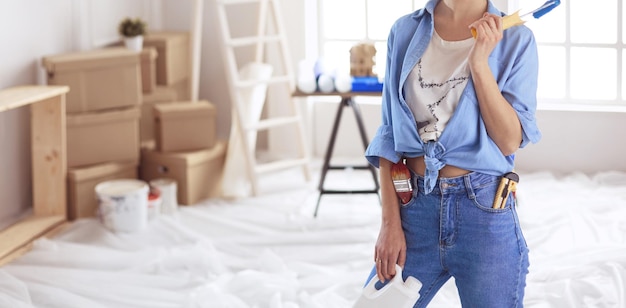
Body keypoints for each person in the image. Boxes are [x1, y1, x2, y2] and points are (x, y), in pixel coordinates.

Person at [362, 0, 541, 307]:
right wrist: (390, 224)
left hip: (484, 213)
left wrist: (480, 63)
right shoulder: (405, 31)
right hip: (414, 209)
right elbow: (389, 135)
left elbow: (509, 141)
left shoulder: (516, 39)